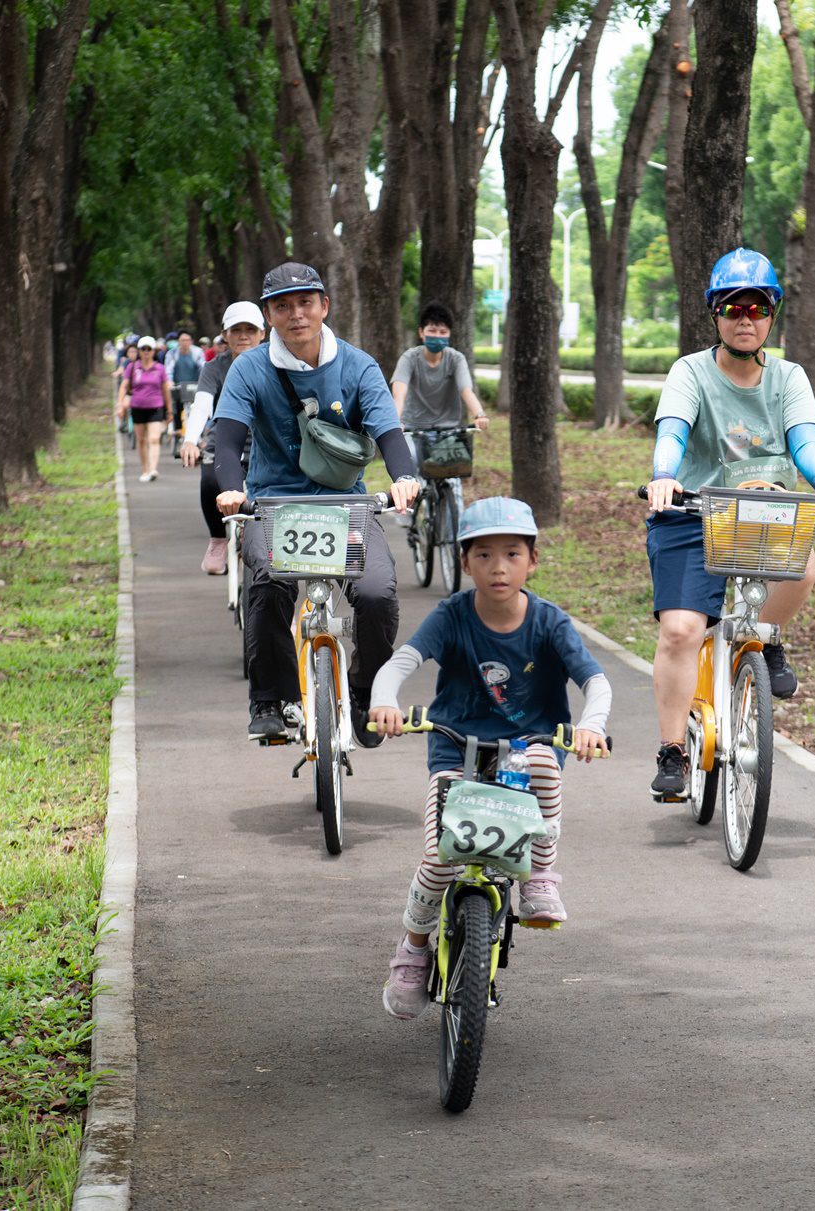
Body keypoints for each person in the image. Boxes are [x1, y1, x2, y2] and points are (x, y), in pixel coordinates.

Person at [367, 497, 611, 1020]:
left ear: (532, 561)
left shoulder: (548, 622)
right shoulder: (452, 615)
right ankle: (411, 950)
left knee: (545, 761)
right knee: (439, 857)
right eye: (483, 555)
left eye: (511, 554)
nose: (498, 567)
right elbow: (401, 663)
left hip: (529, 757)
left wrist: (591, 725)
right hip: (455, 748)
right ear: (464, 561)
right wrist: (385, 701)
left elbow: (595, 680)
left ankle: (540, 874)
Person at [642, 248, 815, 799]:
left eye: (757, 309)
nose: (745, 319)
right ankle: (672, 751)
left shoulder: (788, 378)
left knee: (802, 569)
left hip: (764, 512)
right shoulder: (689, 371)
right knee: (682, 631)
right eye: (733, 308)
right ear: (716, 313)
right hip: (693, 510)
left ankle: (764, 641)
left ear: (771, 317)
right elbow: (673, 431)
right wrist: (664, 475)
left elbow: (804, 440)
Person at [210, 262, 423, 743]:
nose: (296, 315)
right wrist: (231, 487)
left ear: (324, 306)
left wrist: (404, 476)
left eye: (305, 302)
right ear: (269, 316)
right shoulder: (249, 368)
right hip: (273, 505)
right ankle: (273, 699)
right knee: (265, 585)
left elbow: (388, 431)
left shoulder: (358, 365)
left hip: (346, 505)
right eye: (282, 306)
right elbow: (227, 442)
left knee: (377, 593)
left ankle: (366, 690)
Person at [181, 301, 266, 574]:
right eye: (236, 329)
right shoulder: (214, 368)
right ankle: (218, 539)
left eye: (250, 329)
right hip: (226, 441)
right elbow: (202, 404)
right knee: (210, 479)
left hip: (266, 443)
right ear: (225, 335)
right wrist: (190, 440)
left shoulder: (276, 363)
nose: (243, 335)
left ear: (263, 333)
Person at [391, 302, 489, 512]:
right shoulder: (410, 358)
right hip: (413, 428)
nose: (437, 336)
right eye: (432, 330)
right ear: (421, 332)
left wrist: (479, 413)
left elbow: (466, 390)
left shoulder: (456, 359)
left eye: (443, 331)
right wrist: (394, 421)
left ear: (450, 334)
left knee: (454, 485)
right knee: (410, 472)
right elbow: (399, 392)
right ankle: (409, 514)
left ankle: (455, 537)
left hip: (448, 429)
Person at [116, 335, 171, 482]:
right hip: (138, 407)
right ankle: (145, 469)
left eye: (149, 349)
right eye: (143, 349)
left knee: (154, 438)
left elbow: (166, 390)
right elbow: (124, 386)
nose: (146, 352)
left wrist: (169, 410)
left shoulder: (160, 368)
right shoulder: (132, 367)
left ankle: (153, 469)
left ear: (154, 351)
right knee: (141, 440)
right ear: (139, 351)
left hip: (156, 407)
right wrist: (120, 404)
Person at [168, 330, 202, 440]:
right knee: (176, 405)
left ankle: (199, 432)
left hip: (194, 386)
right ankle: (177, 429)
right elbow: (169, 369)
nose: (185, 343)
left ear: (191, 341)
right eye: (182, 340)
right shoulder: (172, 354)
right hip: (178, 386)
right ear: (178, 341)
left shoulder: (197, 352)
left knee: (198, 408)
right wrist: (169, 381)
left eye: (187, 340)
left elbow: (203, 367)